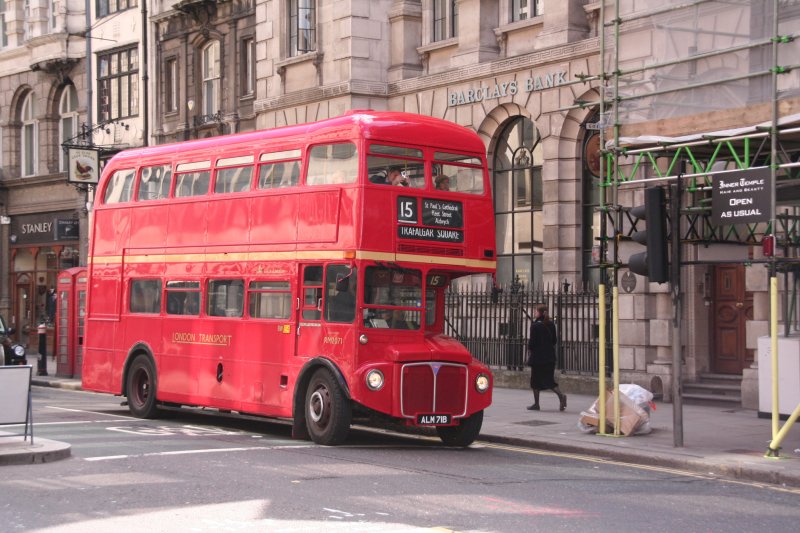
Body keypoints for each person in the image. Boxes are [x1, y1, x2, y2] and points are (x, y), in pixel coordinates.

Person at [526, 305, 566, 411]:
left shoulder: (535, 326)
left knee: (535, 381)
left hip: (538, 358)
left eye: (535, 311)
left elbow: (532, 343)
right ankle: (560, 396)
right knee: (549, 380)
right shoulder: (551, 324)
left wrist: (530, 349)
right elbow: (554, 341)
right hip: (550, 357)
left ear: (539, 313)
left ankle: (537, 404)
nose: (534, 313)